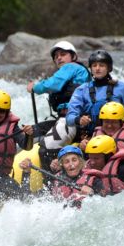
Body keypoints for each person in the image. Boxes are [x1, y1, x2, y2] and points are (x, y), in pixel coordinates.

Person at [27, 41, 91, 172]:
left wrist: (34, 87)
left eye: (63, 54)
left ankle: (52, 188)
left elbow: (53, 84)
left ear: (73, 57)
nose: (59, 58)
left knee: (46, 149)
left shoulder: (72, 67)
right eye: (56, 56)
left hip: (73, 120)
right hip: (63, 118)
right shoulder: (71, 72)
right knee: (33, 132)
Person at [66, 50, 124, 136]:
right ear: (91, 69)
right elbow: (69, 118)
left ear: (108, 68)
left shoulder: (121, 87)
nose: (97, 68)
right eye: (94, 66)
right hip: (92, 136)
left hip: (118, 134)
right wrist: (79, 120)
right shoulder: (81, 90)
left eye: (101, 65)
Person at [19, 145, 106, 207]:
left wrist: (92, 194)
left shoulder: (94, 180)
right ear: (62, 165)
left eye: (74, 160)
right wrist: (26, 173)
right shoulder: (55, 182)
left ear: (80, 162)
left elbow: (106, 204)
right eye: (67, 162)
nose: (71, 165)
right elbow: (27, 199)